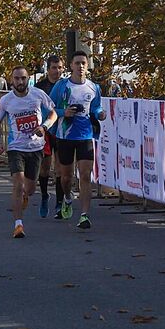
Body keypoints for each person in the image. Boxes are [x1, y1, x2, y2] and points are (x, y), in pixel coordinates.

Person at [0, 66, 57, 238]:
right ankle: (18, 225)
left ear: (28, 79)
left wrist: (44, 127)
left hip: (36, 147)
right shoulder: (6, 100)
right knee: (18, 184)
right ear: (11, 80)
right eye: (16, 78)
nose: (20, 82)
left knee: (29, 189)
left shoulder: (38, 94)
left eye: (23, 78)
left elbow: (53, 114)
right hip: (16, 147)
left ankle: (25, 196)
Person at [48, 50, 104, 231]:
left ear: (88, 66)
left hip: (85, 135)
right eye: (77, 63)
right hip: (65, 135)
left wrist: (99, 113)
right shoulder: (62, 86)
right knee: (66, 177)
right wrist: (65, 112)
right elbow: (49, 107)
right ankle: (67, 198)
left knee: (86, 175)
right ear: (71, 66)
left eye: (83, 63)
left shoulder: (93, 87)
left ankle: (84, 215)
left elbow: (96, 107)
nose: (80, 66)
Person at [35, 54, 67, 217]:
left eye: (60, 67)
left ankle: (59, 203)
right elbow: (42, 110)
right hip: (46, 131)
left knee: (61, 169)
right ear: (47, 69)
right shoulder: (40, 87)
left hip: (62, 131)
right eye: (54, 68)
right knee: (45, 168)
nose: (57, 71)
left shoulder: (67, 86)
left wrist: (63, 113)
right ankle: (44, 195)